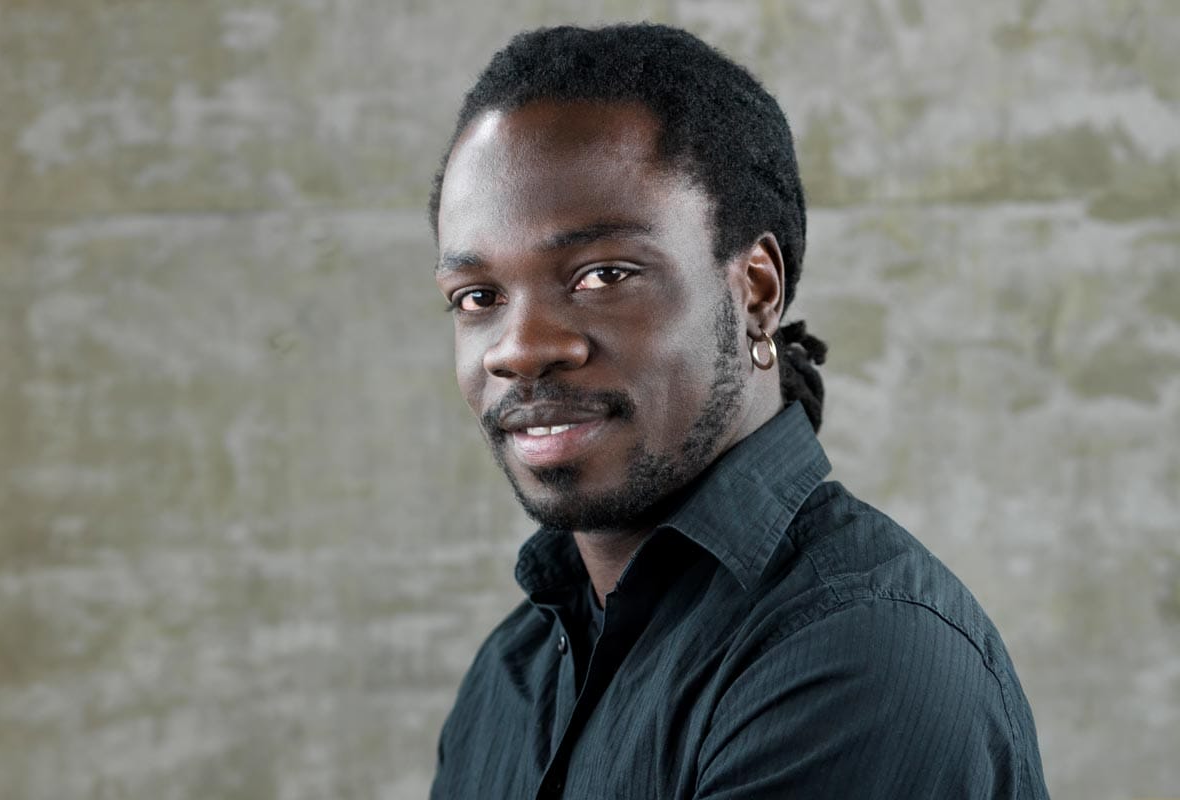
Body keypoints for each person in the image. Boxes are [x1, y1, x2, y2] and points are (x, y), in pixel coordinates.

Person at [427, 23, 1049, 799]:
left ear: (755, 289)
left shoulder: (857, 655)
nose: (518, 349)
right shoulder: (513, 671)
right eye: (478, 297)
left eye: (603, 275)